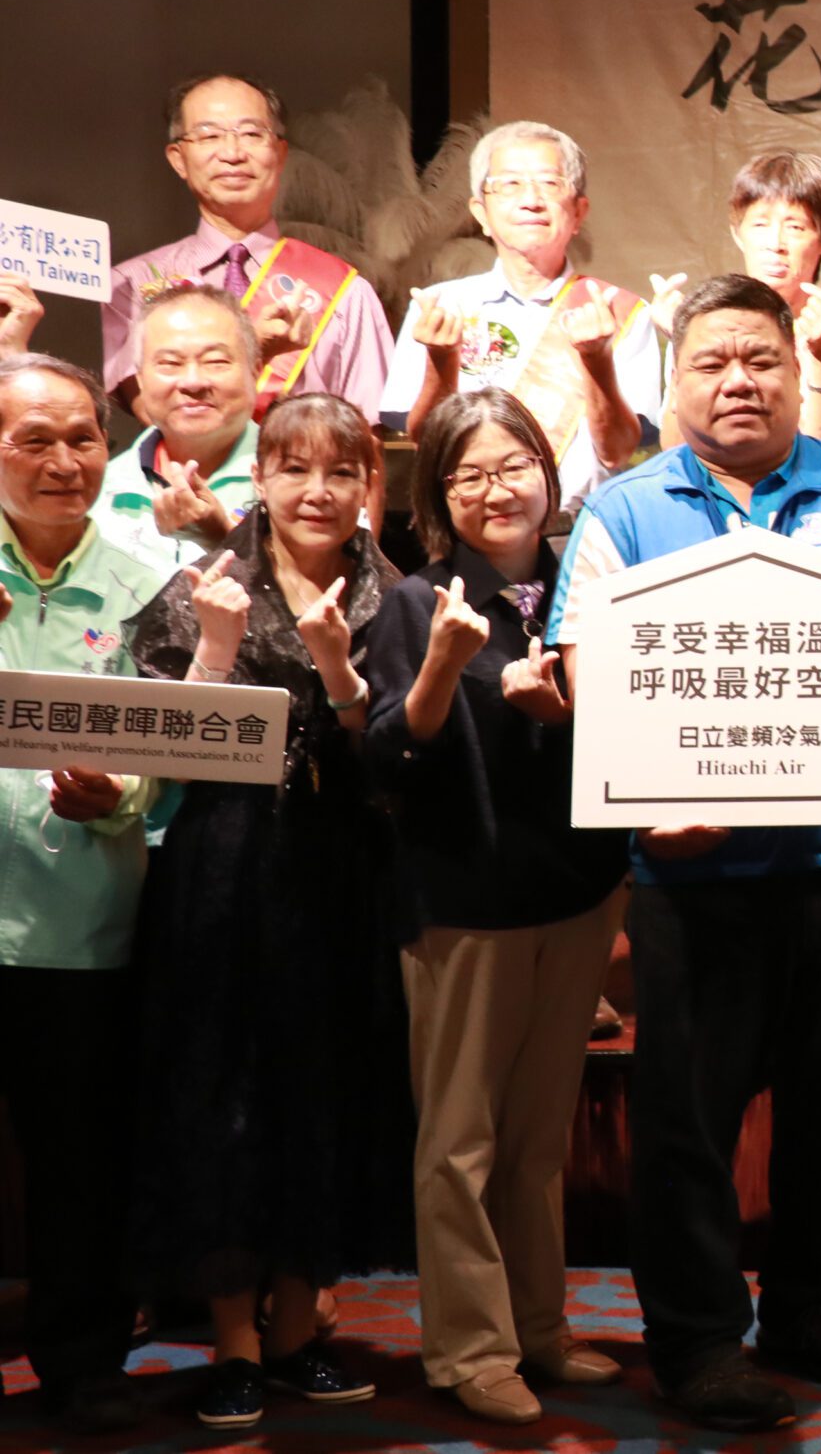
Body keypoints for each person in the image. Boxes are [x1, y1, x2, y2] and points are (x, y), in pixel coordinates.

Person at [548, 273, 821, 1432]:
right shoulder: (626, 507)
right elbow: (583, 662)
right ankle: (696, 1341)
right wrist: (641, 803)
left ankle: (809, 1307)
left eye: (761, 359)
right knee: (688, 1122)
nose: (739, 381)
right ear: (672, 382)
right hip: (694, 877)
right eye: (713, 362)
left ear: (795, 368)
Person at [126, 392, 410, 1432]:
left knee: (331, 1088)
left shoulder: (401, 596)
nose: (316, 491)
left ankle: (296, 1334)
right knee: (226, 1096)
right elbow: (156, 751)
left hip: (348, 871)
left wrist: (342, 673)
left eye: (340, 471)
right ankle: (234, 1346)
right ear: (261, 477)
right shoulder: (206, 583)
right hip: (225, 867)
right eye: (294, 468)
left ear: (370, 484)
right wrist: (213, 648)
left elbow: (402, 756)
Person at [364, 389, 632, 1425]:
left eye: (513, 465)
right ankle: (470, 1350)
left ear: (547, 474)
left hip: (576, 893)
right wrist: (442, 661)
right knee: (460, 1141)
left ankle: (540, 1329)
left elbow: (631, 743)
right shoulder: (415, 600)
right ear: (437, 497)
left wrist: (561, 719)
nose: (495, 489)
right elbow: (390, 755)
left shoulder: (589, 592)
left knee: (537, 1136)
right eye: (467, 474)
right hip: (463, 901)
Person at [0, 354, 165, 1436]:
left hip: (82, 921)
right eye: (34, 440)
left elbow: (171, 751)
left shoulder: (149, 585)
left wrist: (121, 795)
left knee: (79, 1162)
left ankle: (83, 1362)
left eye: (84, 438)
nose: (65, 460)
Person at [383, 120, 663, 512]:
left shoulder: (619, 311)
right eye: (510, 184)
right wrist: (441, 361)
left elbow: (617, 452)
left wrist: (596, 360)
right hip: (468, 521)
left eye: (549, 183)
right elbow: (426, 443)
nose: (531, 199)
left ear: (578, 211)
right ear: (481, 213)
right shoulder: (438, 306)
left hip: (575, 528)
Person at [101, 74, 396, 416]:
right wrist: (252, 349)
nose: (232, 153)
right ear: (178, 159)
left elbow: (367, 434)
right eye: (209, 135)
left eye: (252, 134)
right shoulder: (130, 286)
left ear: (280, 154)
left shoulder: (346, 292)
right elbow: (158, 417)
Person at [94, 285, 263, 578]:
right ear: (140, 379)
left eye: (216, 361)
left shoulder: (296, 480)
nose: (193, 382)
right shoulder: (97, 490)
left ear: (255, 371)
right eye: (170, 363)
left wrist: (220, 538)